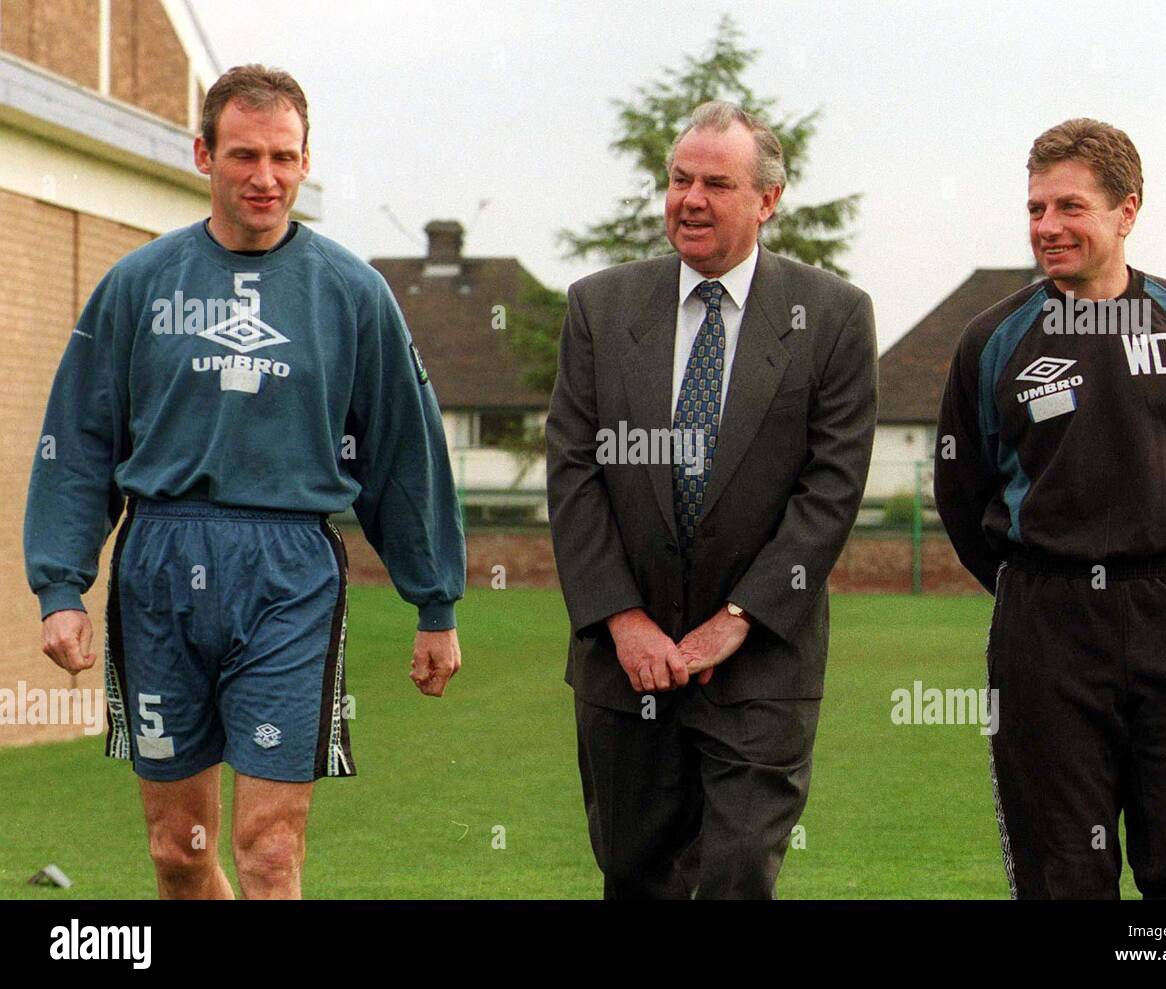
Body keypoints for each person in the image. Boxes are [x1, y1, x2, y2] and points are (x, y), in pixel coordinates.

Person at [23, 64, 466, 900]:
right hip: (158, 564)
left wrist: (434, 601)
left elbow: (407, 455)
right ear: (203, 154)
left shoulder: (353, 294)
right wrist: (60, 584)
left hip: (288, 571)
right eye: (244, 156)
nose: (266, 178)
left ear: (306, 162)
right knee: (177, 852)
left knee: (268, 851)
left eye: (285, 158)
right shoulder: (138, 287)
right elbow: (77, 441)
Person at [546, 100, 877, 899]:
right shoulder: (600, 305)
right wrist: (623, 621)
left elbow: (830, 490)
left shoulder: (832, 317)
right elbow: (574, 473)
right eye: (679, 179)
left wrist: (738, 621)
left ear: (767, 199)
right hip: (626, 666)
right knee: (634, 874)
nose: (689, 199)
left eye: (716, 183)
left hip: (762, 661)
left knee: (735, 874)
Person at [934, 118, 1166, 899]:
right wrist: (1038, 579)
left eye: (1070, 207)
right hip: (1047, 630)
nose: (1048, 227)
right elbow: (961, 492)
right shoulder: (992, 340)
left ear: (1127, 211)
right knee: (1062, 878)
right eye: (1036, 208)